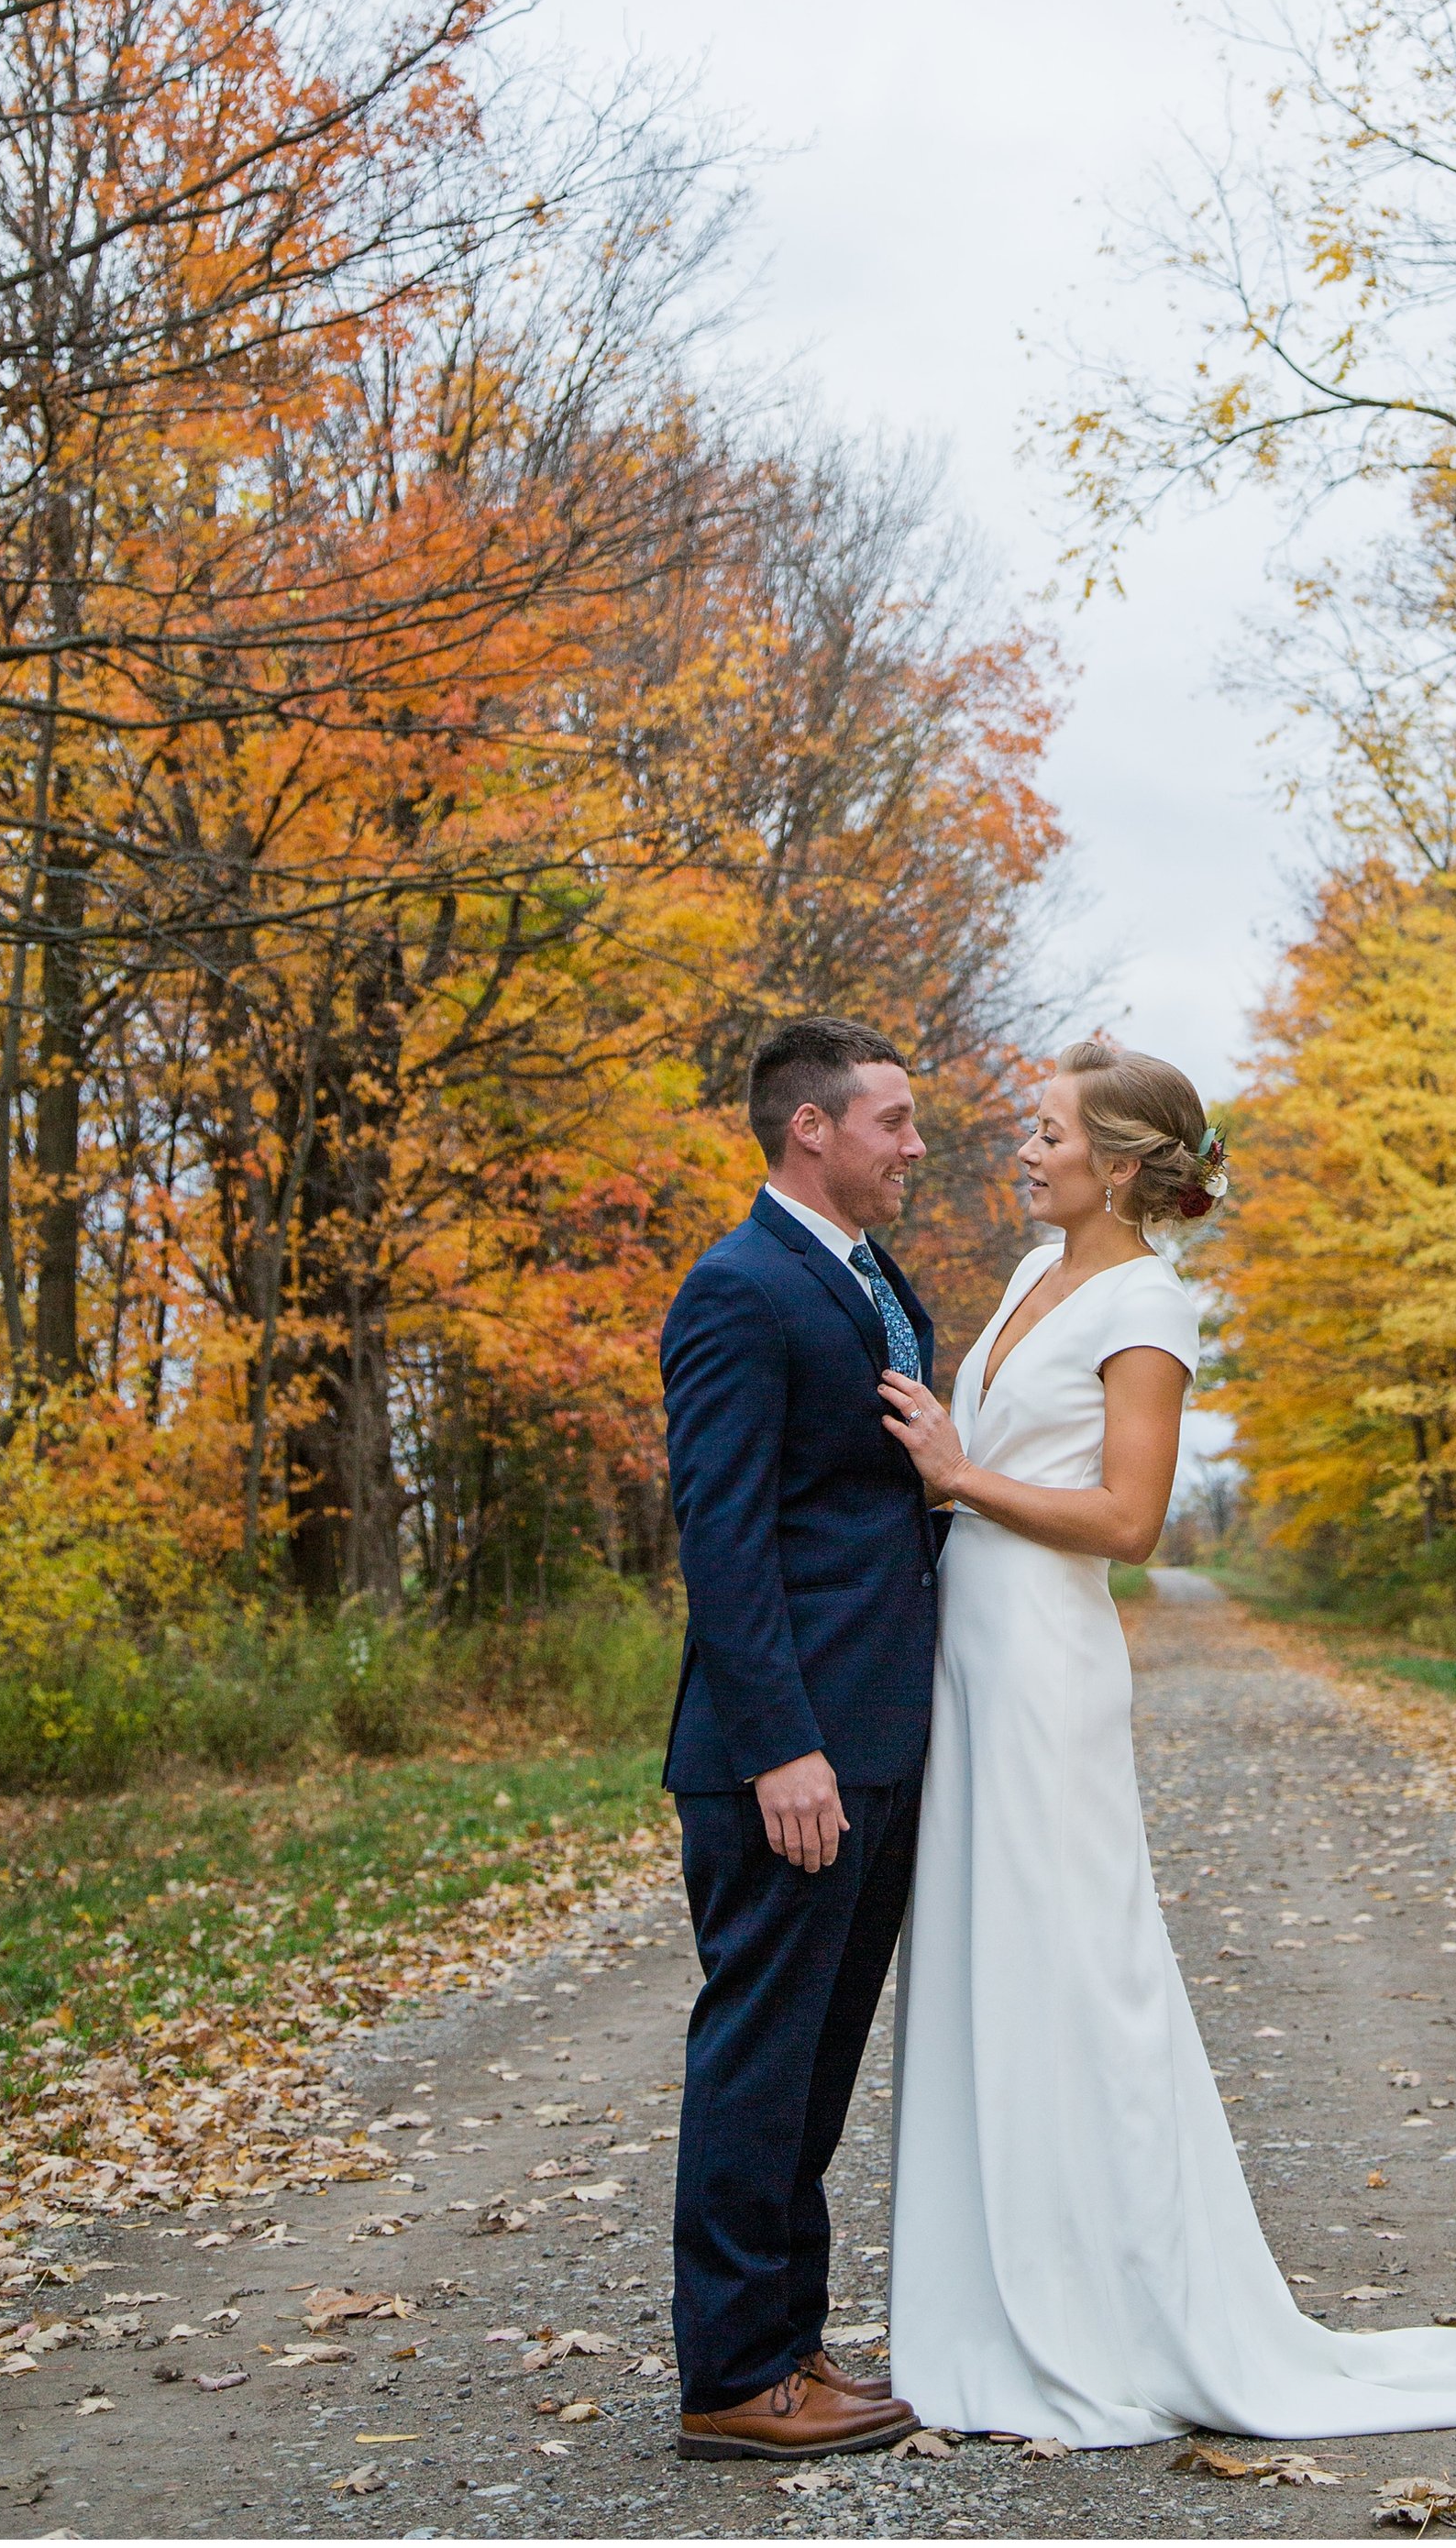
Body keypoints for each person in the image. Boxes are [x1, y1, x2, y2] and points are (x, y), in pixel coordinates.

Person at [876, 1035, 1456, 2449]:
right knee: (982, 1962)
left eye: (1050, 1130)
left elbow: (1130, 1523)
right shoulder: (1024, 1277)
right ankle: (990, 2301)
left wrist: (959, 1472)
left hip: (1050, 1668)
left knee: (1081, 1970)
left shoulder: (1150, 1307)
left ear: (1121, 1164)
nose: (1025, 1146)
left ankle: (1110, 2309)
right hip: (969, 1651)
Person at [659, 1016, 942, 2462]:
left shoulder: (866, 1278)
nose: (912, 1143)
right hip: (791, 1754)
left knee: (819, 2062)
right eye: (890, 1120)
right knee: (761, 2056)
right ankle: (730, 2374)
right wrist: (781, 1744)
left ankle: (791, 2337)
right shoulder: (738, 1286)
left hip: (876, 1732)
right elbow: (723, 1536)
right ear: (812, 1129)